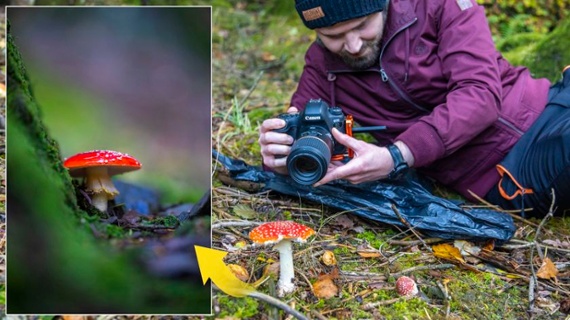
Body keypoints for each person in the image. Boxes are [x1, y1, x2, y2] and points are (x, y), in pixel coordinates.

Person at [258, 0, 570, 217]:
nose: (352, 46)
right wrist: (279, 153)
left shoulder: (437, 5)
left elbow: (480, 94)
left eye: (362, 26)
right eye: (333, 36)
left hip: (551, 101)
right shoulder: (322, 67)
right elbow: (298, 135)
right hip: (511, 165)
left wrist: (395, 155)